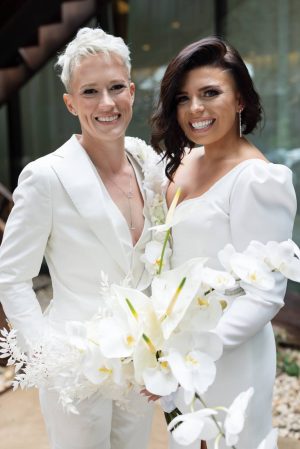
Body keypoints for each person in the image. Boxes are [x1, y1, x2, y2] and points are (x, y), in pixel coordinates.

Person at [0, 27, 155, 449]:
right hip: (75, 368)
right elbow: (11, 277)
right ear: (70, 103)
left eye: (115, 87)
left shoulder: (150, 165)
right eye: (89, 91)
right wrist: (51, 359)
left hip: (138, 362)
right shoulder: (45, 177)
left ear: (132, 93)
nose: (106, 103)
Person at [151, 37, 296, 449]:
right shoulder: (184, 162)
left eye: (210, 93)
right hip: (178, 349)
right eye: (183, 98)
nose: (195, 108)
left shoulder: (257, 179)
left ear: (239, 101)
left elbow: (266, 295)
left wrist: (196, 353)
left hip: (229, 354)